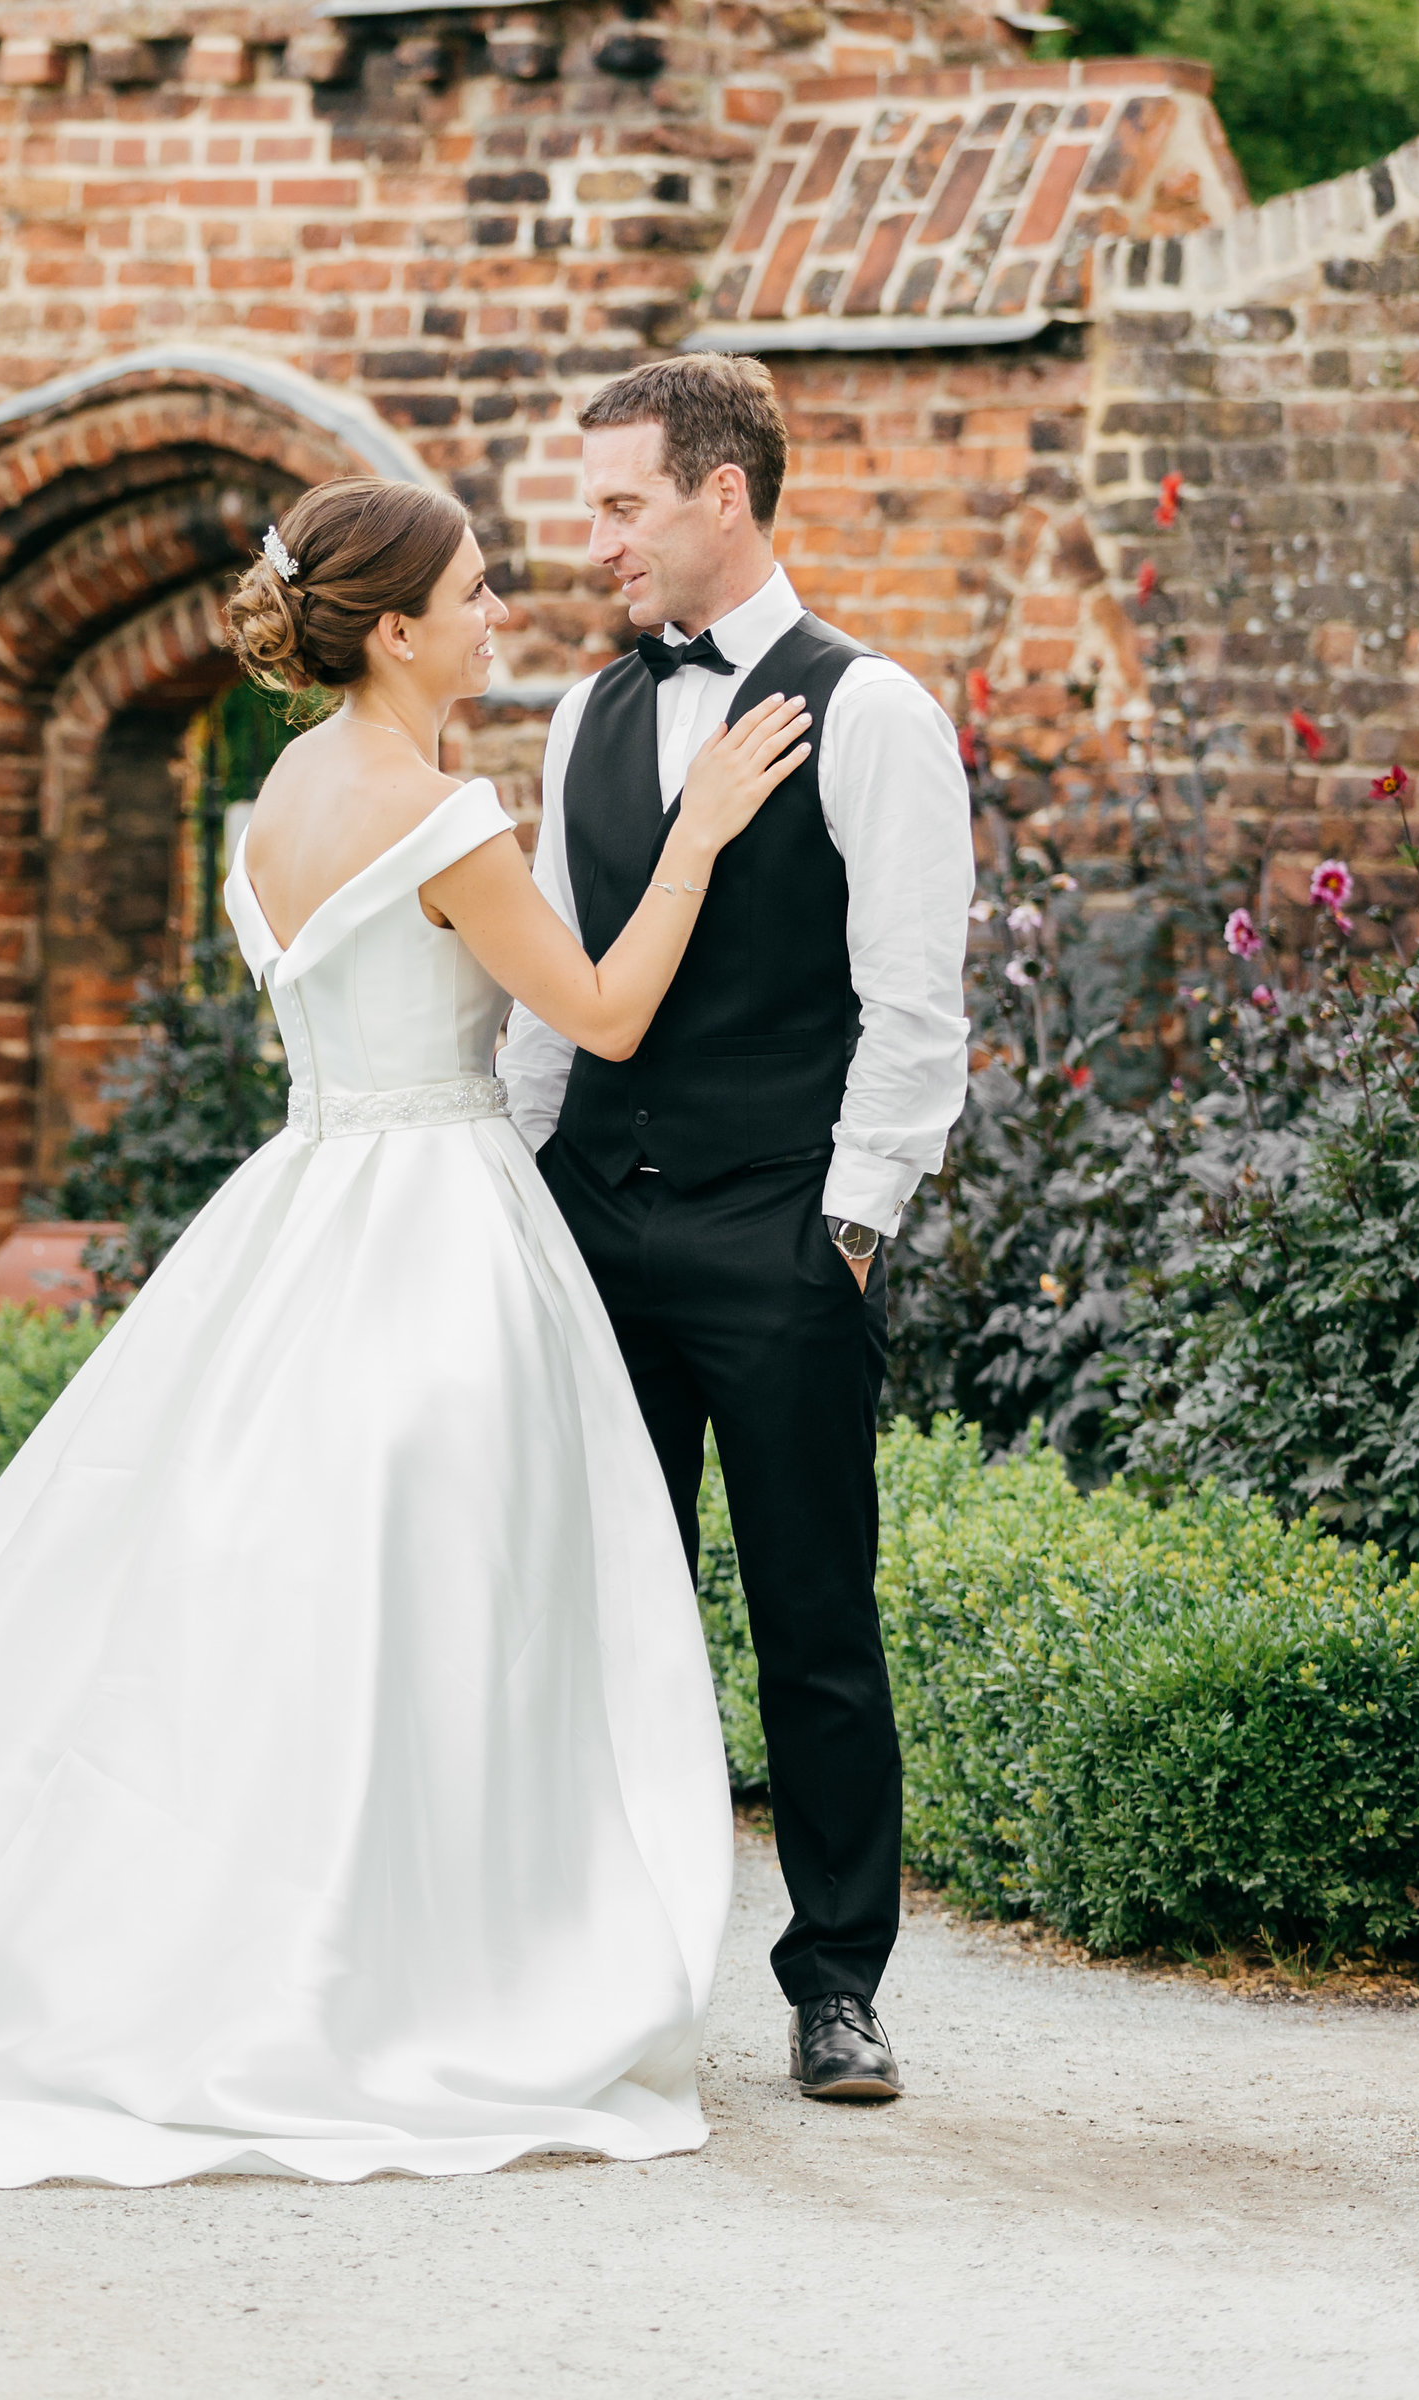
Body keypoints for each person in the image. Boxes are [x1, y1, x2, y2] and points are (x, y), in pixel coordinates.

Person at [0, 475, 817, 2186]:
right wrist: (702, 828)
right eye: (480, 593)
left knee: (276, 1601)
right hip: (435, 1231)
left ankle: (289, 1932)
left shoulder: (272, 796)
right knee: (432, 1602)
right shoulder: (441, 816)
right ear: (399, 627)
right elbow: (610, 1013)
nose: (505, 614)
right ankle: (402, 1971)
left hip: (300, 1207)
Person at [500, 353, 974, 2105]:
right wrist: (520, 1201)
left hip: (780, 1240)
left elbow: (912, 1009)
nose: (594, 539)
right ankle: (583, 1969)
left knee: (813, 1623)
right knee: (596, 1612)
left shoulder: (875, 712)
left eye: (622, 503)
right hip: (596, 1235)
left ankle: (835, 1985)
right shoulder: (583, 715)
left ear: (723, 494)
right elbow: (556, 990)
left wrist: (845, 1234)